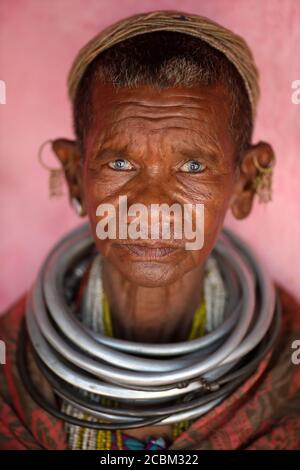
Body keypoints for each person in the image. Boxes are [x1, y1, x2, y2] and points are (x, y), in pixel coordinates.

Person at [1, 10, 300, 451]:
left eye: (193, 166)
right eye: (119, 163)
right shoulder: (12, 362)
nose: (152, 206)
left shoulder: (288, 364)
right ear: (73, 176)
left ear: (245, 183)